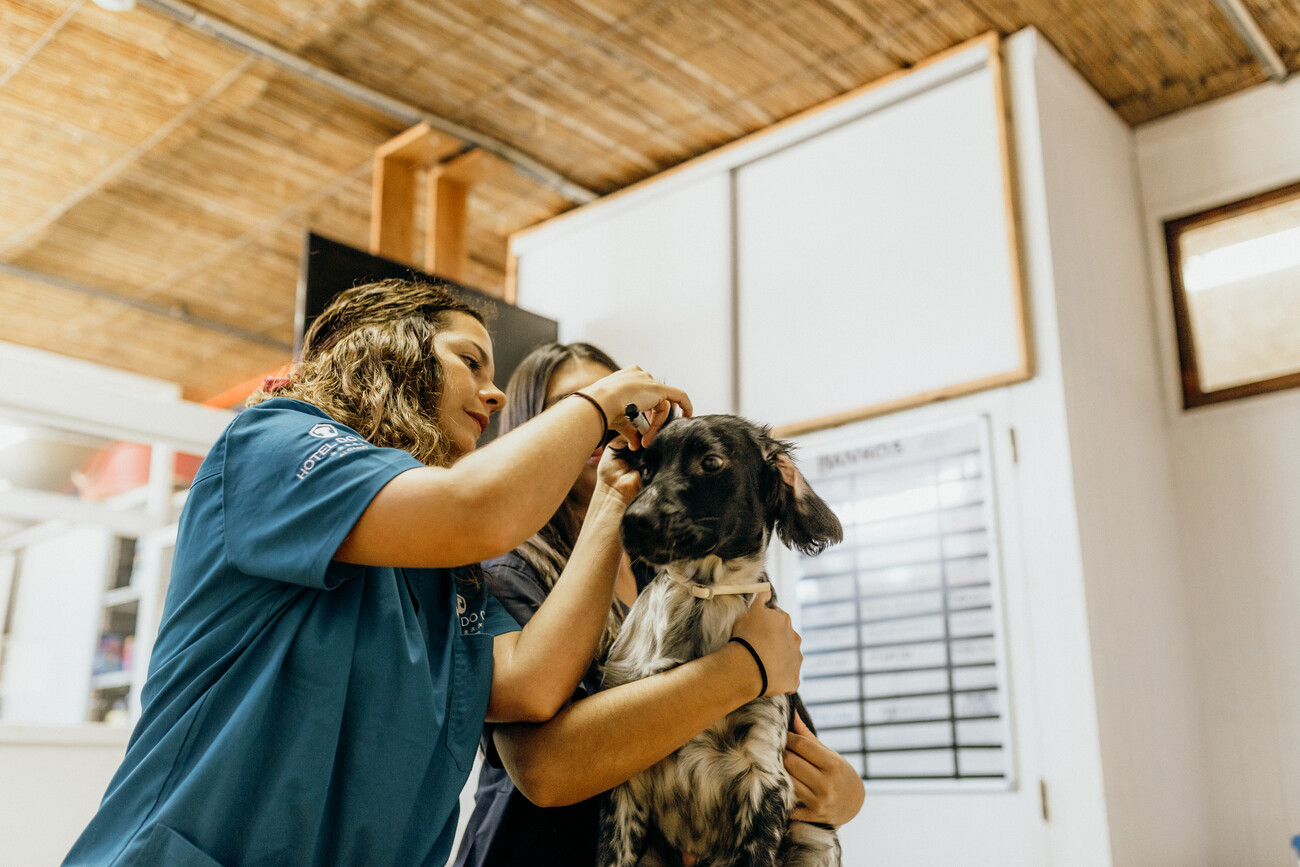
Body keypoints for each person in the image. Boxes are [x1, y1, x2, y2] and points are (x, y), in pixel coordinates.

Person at [64, 280, 799, 867]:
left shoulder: (454, 576)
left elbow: (533, 682)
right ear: (385, 347)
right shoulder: (273, 440)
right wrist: (597, 402)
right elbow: (476, 507)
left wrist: (612, 493)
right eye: (468, 360)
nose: (494, 391)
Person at [455, 342, 866, 867]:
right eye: (580, 408)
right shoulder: (504, 570)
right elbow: (545, 768)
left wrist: (845, 792)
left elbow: (773, 739)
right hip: (537, 852)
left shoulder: (679, 565)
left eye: (621, 408)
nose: (605, 428)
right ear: (531, 430)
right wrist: (746, 666)